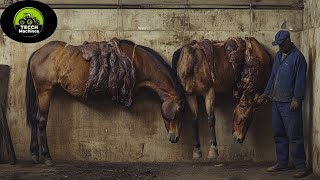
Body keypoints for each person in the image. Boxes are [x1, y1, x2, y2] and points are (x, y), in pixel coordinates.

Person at [258, 30, 309, 178]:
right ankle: (282, 163)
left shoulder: (298, 58)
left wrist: (297, 99)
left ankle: (301, 166)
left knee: (295, 135)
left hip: (289, 104)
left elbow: (301, 81)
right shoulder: (279, 56)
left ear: (288, 41)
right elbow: (273, 78)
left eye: (281, 44)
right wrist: (266, 94)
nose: (279, 48)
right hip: (276, 102)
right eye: (278, 45)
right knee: (279, 134)